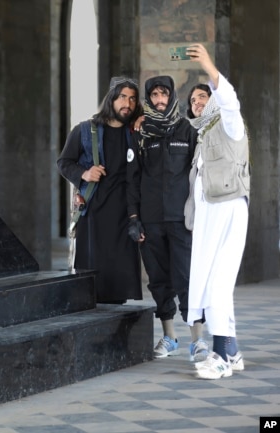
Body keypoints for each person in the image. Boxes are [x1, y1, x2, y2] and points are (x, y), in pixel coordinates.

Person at [126, 76, 206, 360]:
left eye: (164, 94)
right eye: (155, 95)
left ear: (172, 96)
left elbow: (199, 176)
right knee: (159, 280)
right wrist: (134, 218)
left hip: (182, 220)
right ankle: (169, 337)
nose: (160, 100)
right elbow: (132, 178)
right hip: (150, 221)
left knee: (186, 278)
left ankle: (197, 339)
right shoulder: (141, 133)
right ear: (149, 99)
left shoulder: (188, 130)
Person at [183, 43, 250, 380]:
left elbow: (230, 101)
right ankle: (233, 350)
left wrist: (210, 68)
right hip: (209, 219)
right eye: (193, 101)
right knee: (212, 283)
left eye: (202, 97)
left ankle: (220, 356)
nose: (197, 103)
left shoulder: (229, 124)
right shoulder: (202, 135)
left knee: (218, 285)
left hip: (228, 211)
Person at [57, 77, 143, 304]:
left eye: (133, 99)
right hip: (94, 214)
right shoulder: (85, 130)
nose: (128, 103)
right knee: (92, 285)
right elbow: (64, 162)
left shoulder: (136, 132)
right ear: (112, 99)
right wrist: (84, 174)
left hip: (125, 216)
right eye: (123, 97)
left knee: (118, 286)